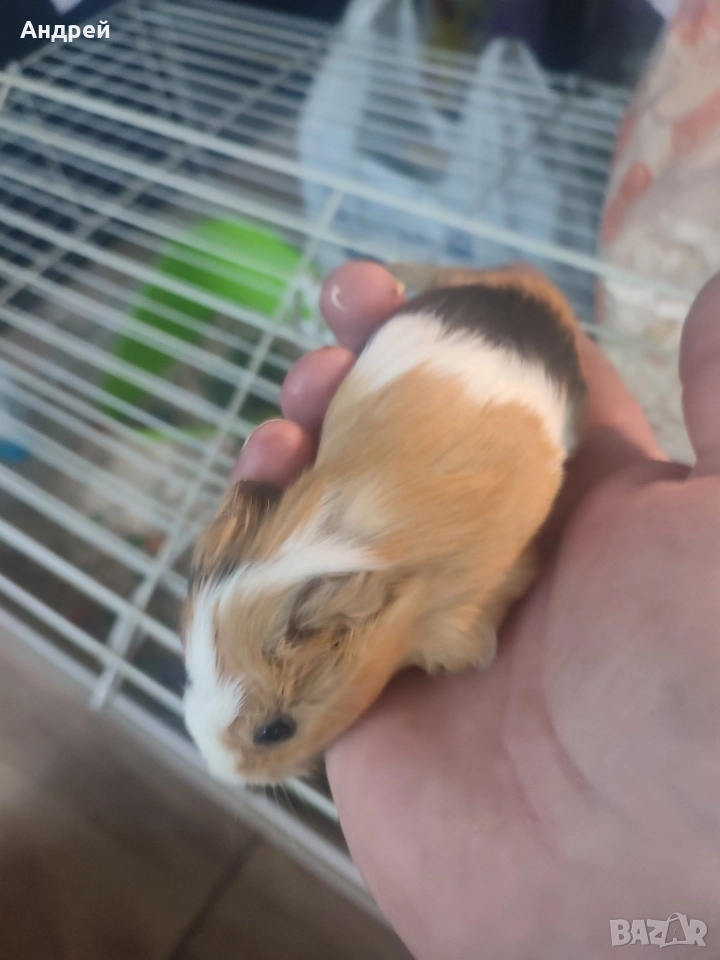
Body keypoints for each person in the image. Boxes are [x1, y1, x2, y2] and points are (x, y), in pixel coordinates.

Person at [232, 260, 720, 959]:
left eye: (275, 728)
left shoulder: (440, 609)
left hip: (511, 369)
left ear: (344, 625)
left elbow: (482, 601)